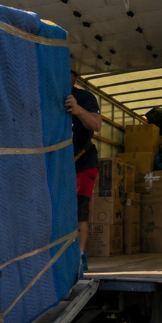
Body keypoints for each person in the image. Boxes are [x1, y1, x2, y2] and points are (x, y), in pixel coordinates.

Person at [64, 71, 102, 277]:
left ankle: (79, 258)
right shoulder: (47, 94)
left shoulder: (85, 97)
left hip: (83, 162)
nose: (66, 76)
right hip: (58, 164)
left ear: (75, 78)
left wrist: (77, 109)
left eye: (71, 73)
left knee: (80, 211)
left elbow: (97, 125)